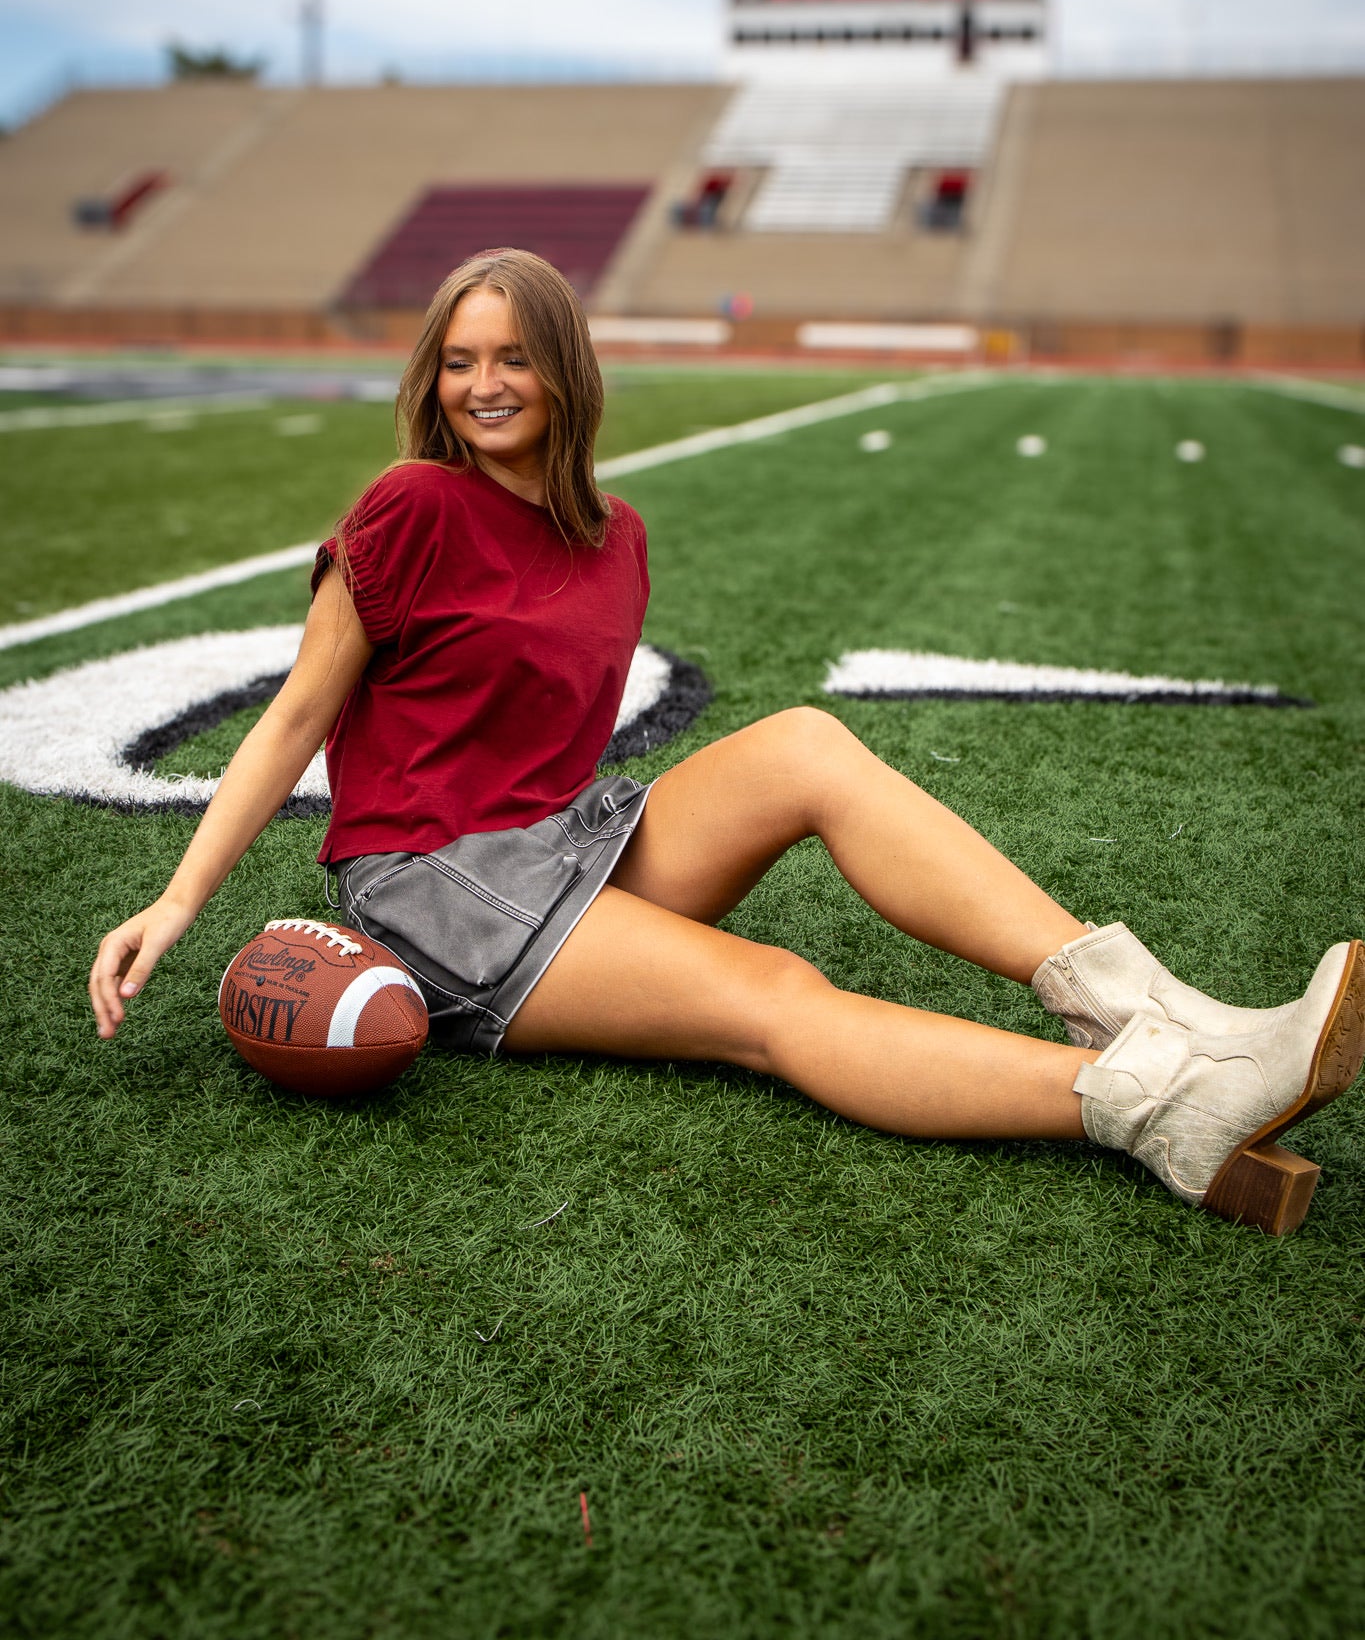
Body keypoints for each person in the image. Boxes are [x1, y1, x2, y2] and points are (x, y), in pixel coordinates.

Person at [90, 250, 1363, 1236]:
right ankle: (1164, 1103)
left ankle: (1173, 1017)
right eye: (460, 360)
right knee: (773, 993)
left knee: (807, 743)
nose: (484, 384)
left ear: (566, 370)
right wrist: (177, 900)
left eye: (515, 356)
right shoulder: (411, 504)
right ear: (431, 378)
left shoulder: (616, 537)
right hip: (437, 886)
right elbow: (296, 716)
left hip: (562, 842)